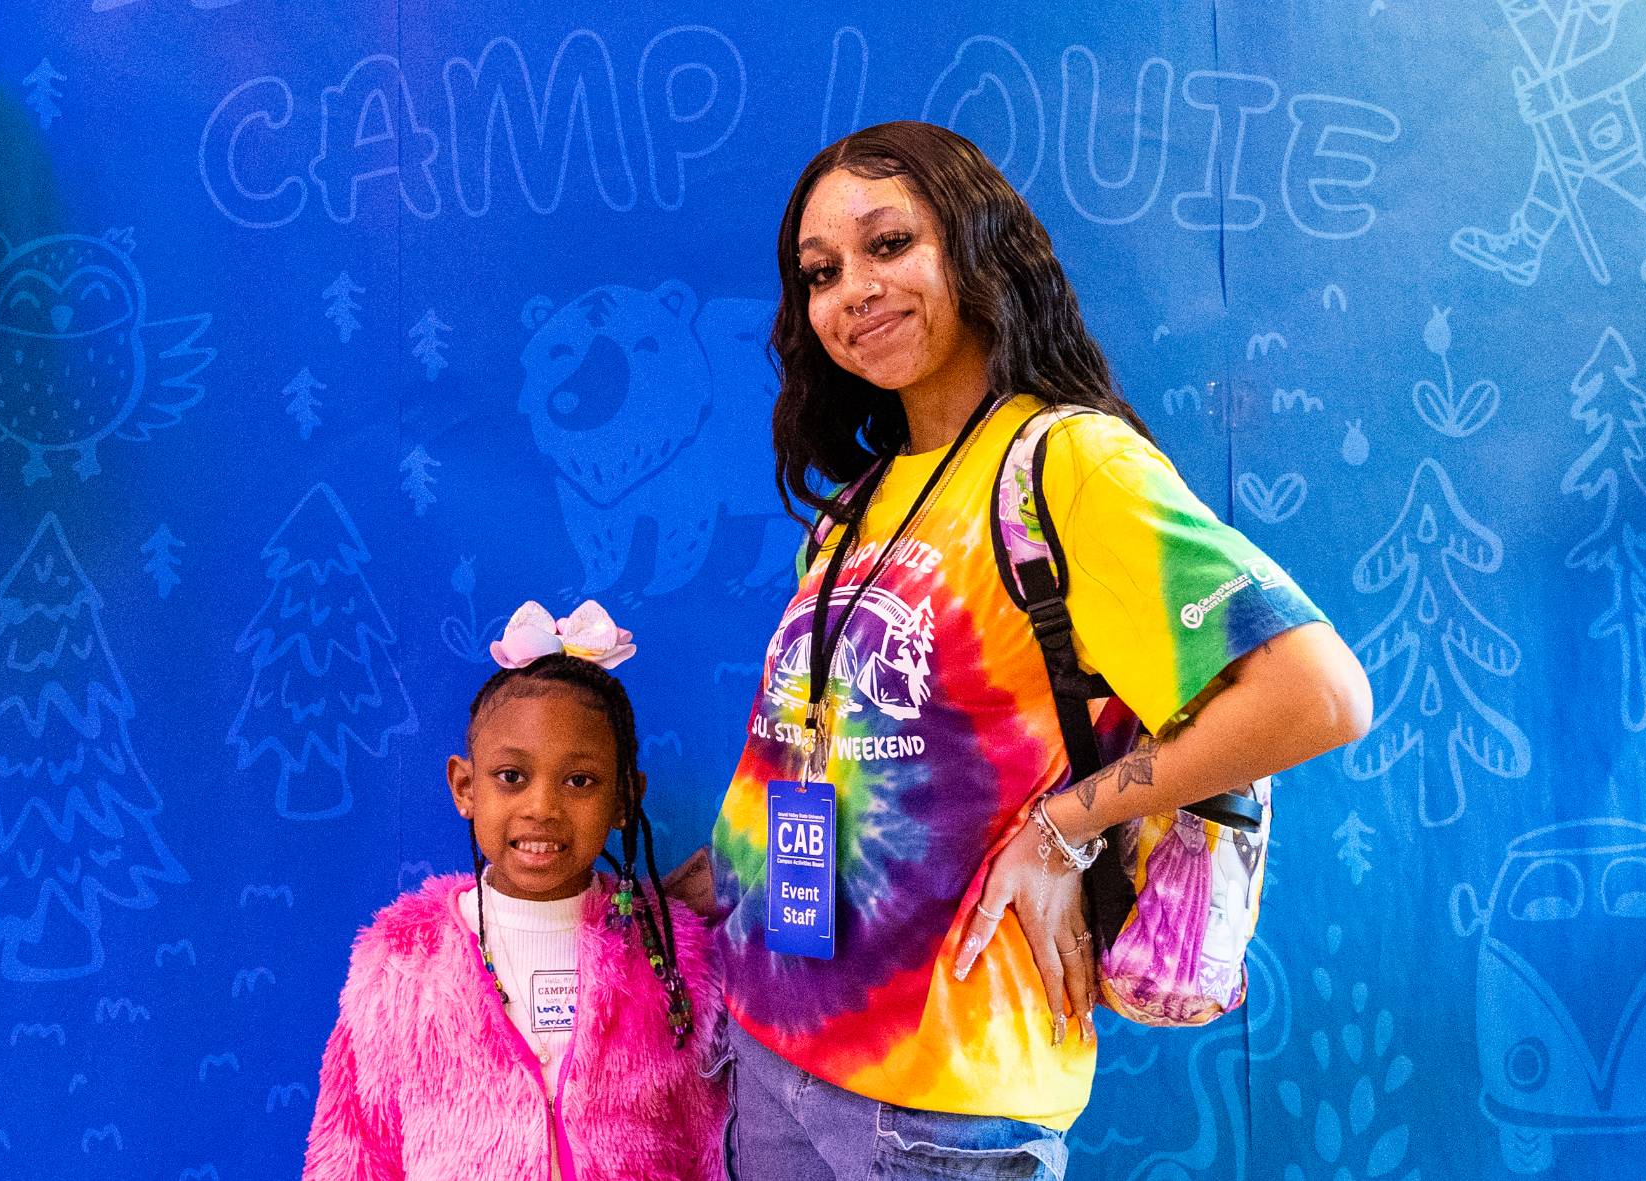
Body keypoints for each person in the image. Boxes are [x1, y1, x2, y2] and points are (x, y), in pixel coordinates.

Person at [703, 121, 1374, 1178]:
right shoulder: (853, 509)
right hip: (768, 1047)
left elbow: (1316, 695)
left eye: (889, 244)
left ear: (977, 248)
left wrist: (1065, 826)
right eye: (821, 272)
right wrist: (712, 869)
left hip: (942, 1095)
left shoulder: (1066, 464)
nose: (853, 291)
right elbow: (833, 753)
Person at [303, 602, 726, 1181]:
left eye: (580, 780)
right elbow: (351, 1150)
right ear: (465, 787)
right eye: (512, 777)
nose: (542, 807)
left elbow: (714, 1142)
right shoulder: (400, 961)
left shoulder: (672, 957)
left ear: (625, 798)